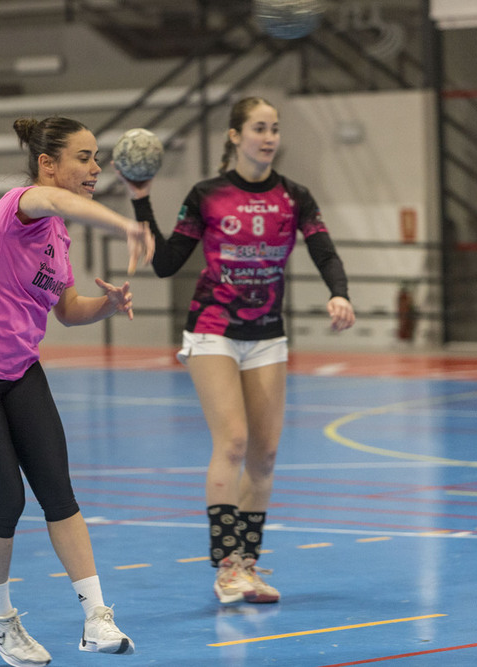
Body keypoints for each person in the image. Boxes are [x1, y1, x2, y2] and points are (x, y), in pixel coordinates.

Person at [0, 116, 153, 666]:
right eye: (83, 157)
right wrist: (123, 224)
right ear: (48, 165)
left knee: (59, 491)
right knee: (7, 500)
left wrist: (109, 305)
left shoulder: (57, 238)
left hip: (20, 368)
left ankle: (97, 617)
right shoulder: (21, 205)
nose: (95, 168)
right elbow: (65, 203)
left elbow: (68, 312)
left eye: (97, 157)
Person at [117, 97, 356, 605]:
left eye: (273, 128)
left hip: (267, 333)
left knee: (265, 456)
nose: (268, 137)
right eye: (258, 128)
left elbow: (323, 249)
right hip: (213, 328)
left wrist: (339, 293)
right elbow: (167, 263)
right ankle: (227, 566)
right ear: (234, 135)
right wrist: (141, 199)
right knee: (233, 442)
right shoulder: (207, 195)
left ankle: (248, 565)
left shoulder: (295, 196)